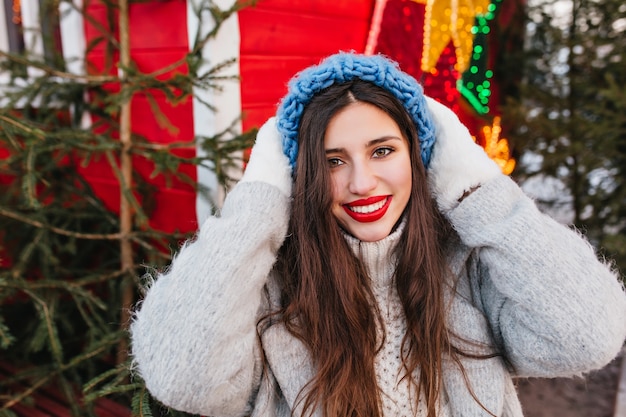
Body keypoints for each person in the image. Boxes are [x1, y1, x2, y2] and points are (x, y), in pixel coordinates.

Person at [130, 52, 626, 417]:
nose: (361, 183)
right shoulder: (269, 291)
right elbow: (181, 375)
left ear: (419, 155)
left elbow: (586, 335)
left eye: (383, 151)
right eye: (332, 161)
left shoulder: (471, 267)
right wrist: (257, 202)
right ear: (299, 175)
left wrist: (477, 188)